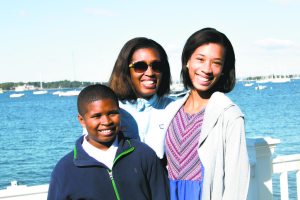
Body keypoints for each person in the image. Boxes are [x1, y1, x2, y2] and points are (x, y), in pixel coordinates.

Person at [163, 28, 250, 199]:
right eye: (200, 59)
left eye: (216, 63)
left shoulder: (230, 115)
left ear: (224, 69)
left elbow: (237, 180)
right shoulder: (172, 109)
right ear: (187, 60)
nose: (207, 69)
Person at [48, 84, 169, 200]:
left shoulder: (143, 154)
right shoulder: (65, 170)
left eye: (112, 113)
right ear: (82, 120)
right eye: (96, 116)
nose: (106, 121)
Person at [108, 37, 174, 159]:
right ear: (125, 70)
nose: (150, 72)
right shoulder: (110, 110)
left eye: (157, 65)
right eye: (140, 66)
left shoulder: (175, 109)